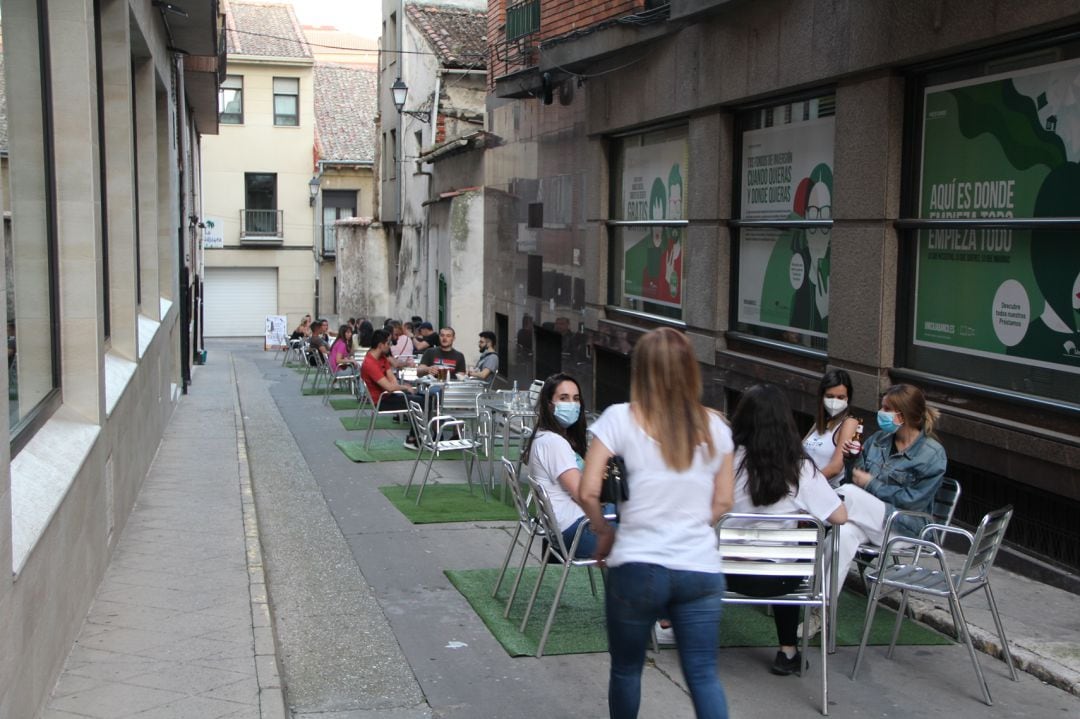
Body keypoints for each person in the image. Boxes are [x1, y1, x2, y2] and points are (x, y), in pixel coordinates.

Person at [580, 327, 735, 719]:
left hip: (637, 564)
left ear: (641, 369)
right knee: (702, 676)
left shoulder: (619, 418)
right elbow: (724, 500)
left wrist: (605, 530)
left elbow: (587, 490)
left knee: (627, 670)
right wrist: (694, 523)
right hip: (699, 567)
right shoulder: (716, 426)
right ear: (690, 369)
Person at [800, 383, 947, 639]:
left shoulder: (932, 454)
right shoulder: (878, 441)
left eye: (887, 409)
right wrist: (850, 461)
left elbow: (912, 501)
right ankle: (818, 612)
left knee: (852, 496)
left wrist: (871, 483)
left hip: (905, 527)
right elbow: (857, 477)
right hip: (869, 518)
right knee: (841, 535)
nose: (881, 413)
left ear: (904, 414)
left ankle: (806, 513)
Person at [727, 384, 848, 676]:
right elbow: (840, 517)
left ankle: (674, 626)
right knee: (792, 556)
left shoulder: (725, 462)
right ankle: (788, 651)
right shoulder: (801, 468)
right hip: (781, 581)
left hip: (727, 574)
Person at [521, 373, 606, 558]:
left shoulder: (544, 436)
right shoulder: (554, 443)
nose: (572, 404)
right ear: (549, 404)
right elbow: (583, 495)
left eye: (576, 399)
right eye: (563, 398)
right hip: (577, 533)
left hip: (562, 530)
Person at [360, 329, 422, 448]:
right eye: (388, 343)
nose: (390, 346)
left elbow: (392, 380)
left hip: (389, 396)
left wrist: (401, 387)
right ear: (380, 345)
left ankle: (420, 436)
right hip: (381, 401)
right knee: (420, 402)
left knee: (422, 397)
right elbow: (389, 387)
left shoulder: (382, 357)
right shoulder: (370, 363)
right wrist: (404, 387)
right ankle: (413, 438)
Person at [802, 369, 860, 487]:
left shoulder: (849, 423)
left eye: (840, 397)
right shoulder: (821, 422)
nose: (835, 401)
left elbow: (835, 468)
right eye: (830, 396)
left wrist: (806, 485)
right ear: (822, 396)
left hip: (825, 489)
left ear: (848, 398)